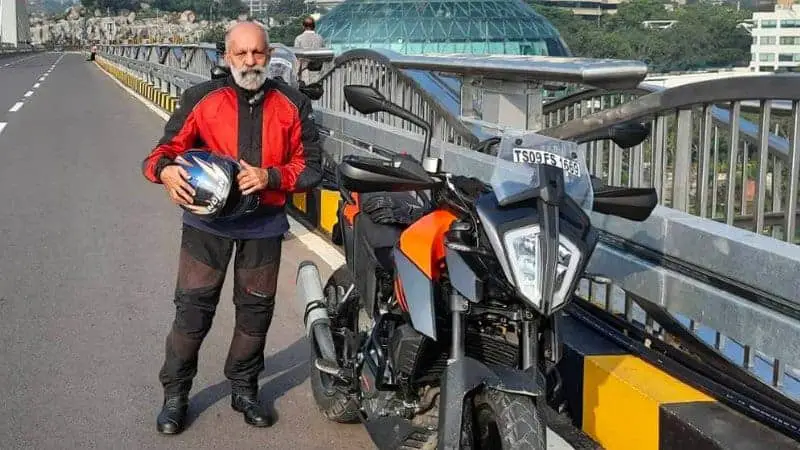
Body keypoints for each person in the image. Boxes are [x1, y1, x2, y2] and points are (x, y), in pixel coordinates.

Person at [141, 21, 322, 435]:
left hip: (264, 225)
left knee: (255, 313)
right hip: (208, 226)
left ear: (270, 53)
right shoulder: (201, 99)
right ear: (226, 57)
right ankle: (175, 395)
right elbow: (160, 153)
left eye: (257, 53)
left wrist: (270, 177)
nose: (249, 61)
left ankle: (244, 387)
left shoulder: (293, 104)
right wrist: (167, 172)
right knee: (192, 311)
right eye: (240, 54)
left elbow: (312, 168)